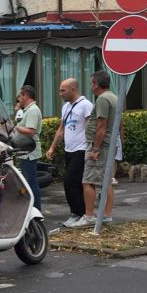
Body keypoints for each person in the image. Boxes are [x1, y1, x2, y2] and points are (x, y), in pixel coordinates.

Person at [68, 70, 118, 228]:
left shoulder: (103, 99)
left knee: (87, 181)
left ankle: (88, 216)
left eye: (91, 83)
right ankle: (107, 216)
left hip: (100, 145)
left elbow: (101, 126)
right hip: (110, 143)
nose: (90, 86)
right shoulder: (114, 97)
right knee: (106, 181)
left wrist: (95, 148)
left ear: (96, 84)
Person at [45, 78, 93, 227]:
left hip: (82, 149)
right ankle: (79, 213)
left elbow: (93, 127)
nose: (60, 93)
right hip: (69, 150)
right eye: (60, 90)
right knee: (76, 183)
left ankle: (79, 214)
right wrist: (52, 147)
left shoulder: (86, 105)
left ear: (73, 89)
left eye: (63, 90)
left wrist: (94, 148)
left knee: (70, 180)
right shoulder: (66, 107)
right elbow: (61, 129)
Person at [13, 85, 43, 209]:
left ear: (26, 95)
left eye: (20, 95)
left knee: (31, 183)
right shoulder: (27, 110)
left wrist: (16, 126)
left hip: (30, 152)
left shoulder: (33, 110)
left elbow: (30, 131)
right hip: (25, 151)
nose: (19, 98)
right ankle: (31, 208)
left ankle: (36, 210)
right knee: (27, 182)